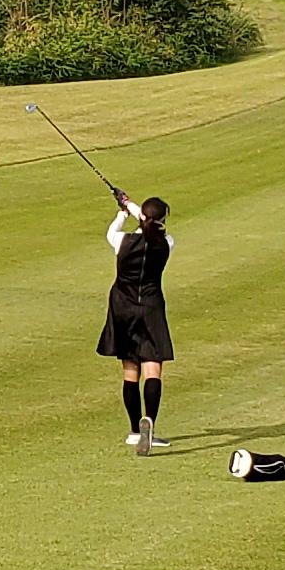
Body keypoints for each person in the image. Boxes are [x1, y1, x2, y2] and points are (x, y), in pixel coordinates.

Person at [98, 190, 175, 453]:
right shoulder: (167, 243)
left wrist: (123, 209)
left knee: (130, 370)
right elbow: (149, 221)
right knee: (153, 367)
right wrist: (130, 204)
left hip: (122, 307)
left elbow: (114, 230)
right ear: (163, 220)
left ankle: (134, 430)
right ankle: (149, 426)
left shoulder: (121, 240)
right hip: (151, 307)